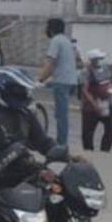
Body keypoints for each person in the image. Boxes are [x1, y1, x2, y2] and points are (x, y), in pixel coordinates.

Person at [38, 18, 77, 147]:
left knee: (61, 114)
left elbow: (51, 63)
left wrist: (40, 79)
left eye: (47, 27)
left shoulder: (56, 41)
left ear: (51, 29)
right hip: (70, 80)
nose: (46, 30)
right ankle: (62, 141)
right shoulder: (66, 40)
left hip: (62, 81)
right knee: (62, 113)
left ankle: (61, 143)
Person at [80, 50, 112, 152]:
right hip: (91, 107)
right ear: (92, 60)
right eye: (98, 59)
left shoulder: (105, 69)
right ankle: (89, 151)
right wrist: (93, 104)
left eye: (102, 59)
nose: (101, 61)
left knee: (111, 126)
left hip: (106, 103)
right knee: (88, 132)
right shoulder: (86, 72)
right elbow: (84, 89)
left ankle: (105, 150)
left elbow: (111, 81)